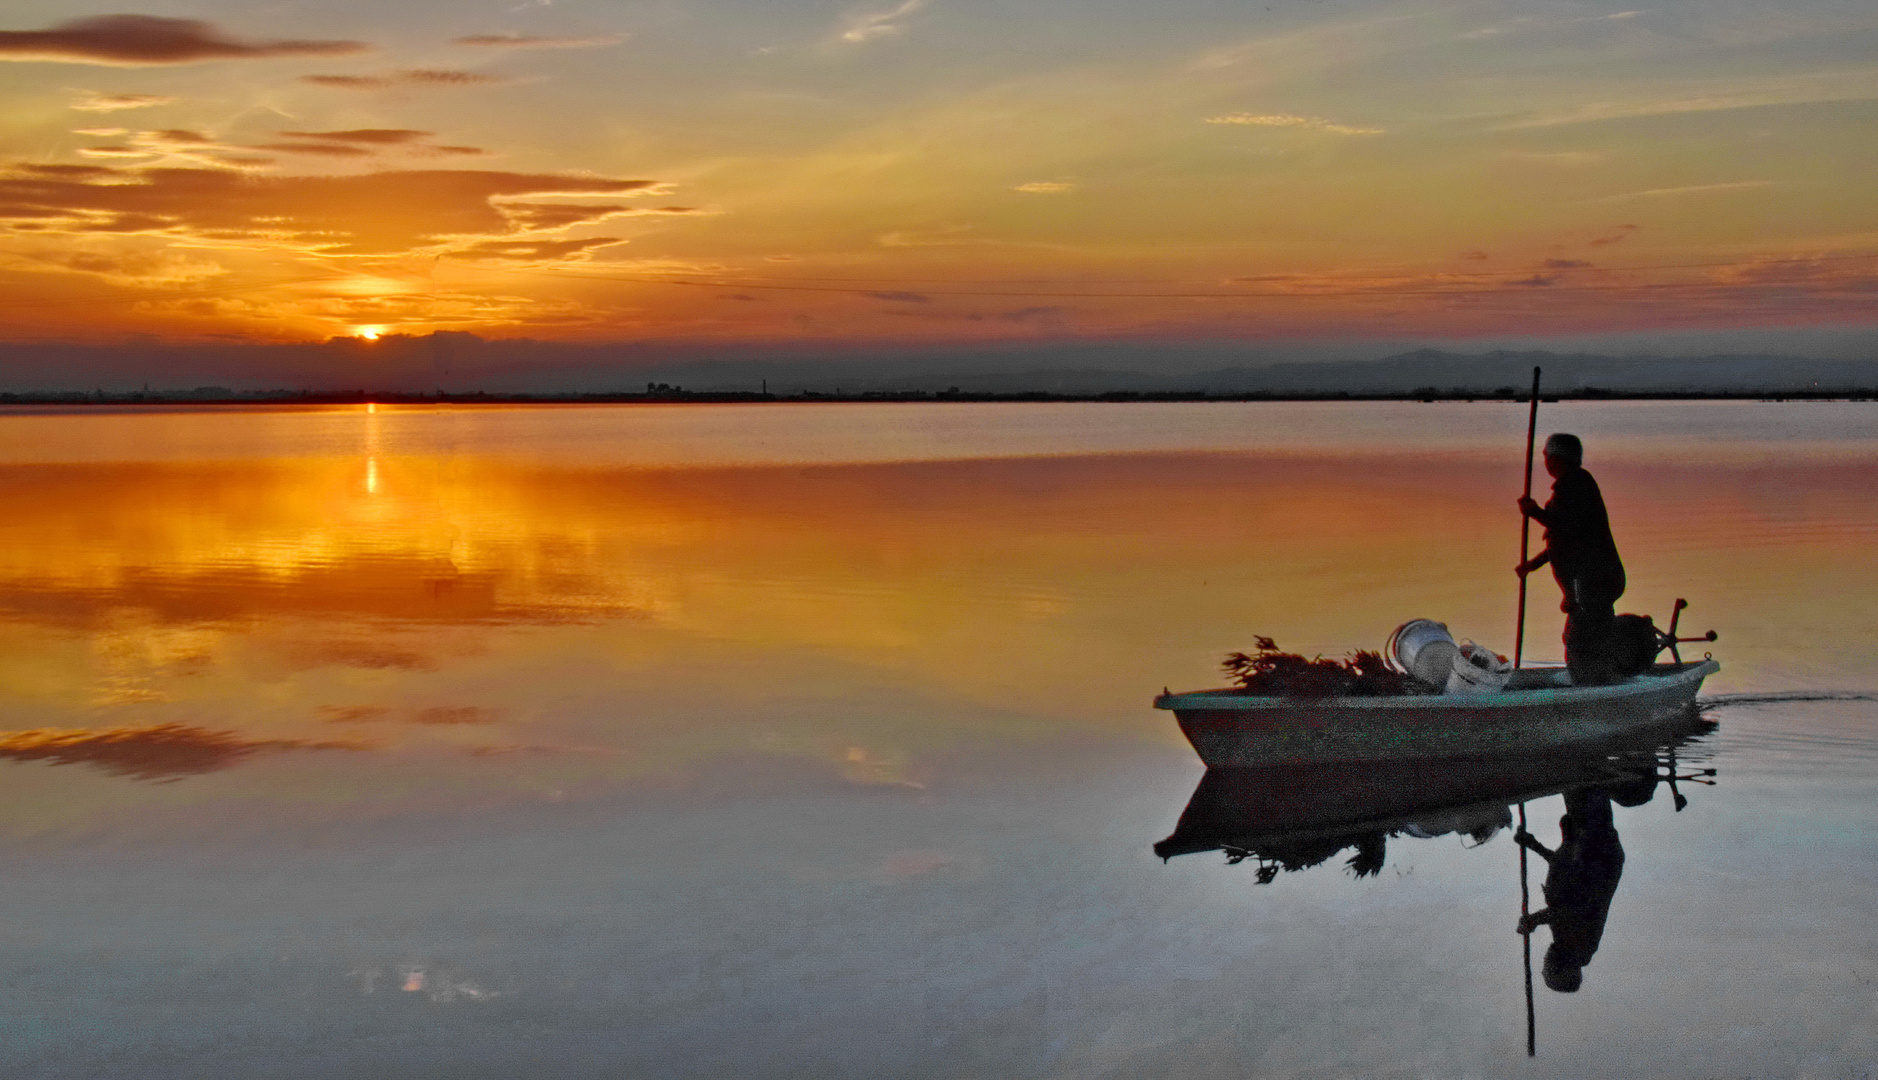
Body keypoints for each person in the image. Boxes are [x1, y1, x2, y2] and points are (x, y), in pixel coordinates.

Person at [1516, 433, 1626, 685]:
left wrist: (1534, 512)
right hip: (1594, 579)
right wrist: (1533, 564)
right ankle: (1598, 679)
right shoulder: (1572, 485)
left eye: (1547, 456)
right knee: (1590, 631)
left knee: (1580, 637)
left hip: (1593, 579)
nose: (1545, 461)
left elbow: (1567, 527)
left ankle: (1592, 686)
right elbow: (1564, 539)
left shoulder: (1575, 485)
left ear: (1557, 459)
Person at [1513, 786, 1626, 992]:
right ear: (1558, 969)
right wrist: (1534, 920)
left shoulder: (1569, 943)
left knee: (1580, 788)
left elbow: (1563, 871)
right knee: (1584, 785)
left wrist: (1533, 844)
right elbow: (1566, 912)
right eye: (1547, 968)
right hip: (1597, 852)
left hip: (1594, 852)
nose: (1545, 961)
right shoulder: (1579, 947)